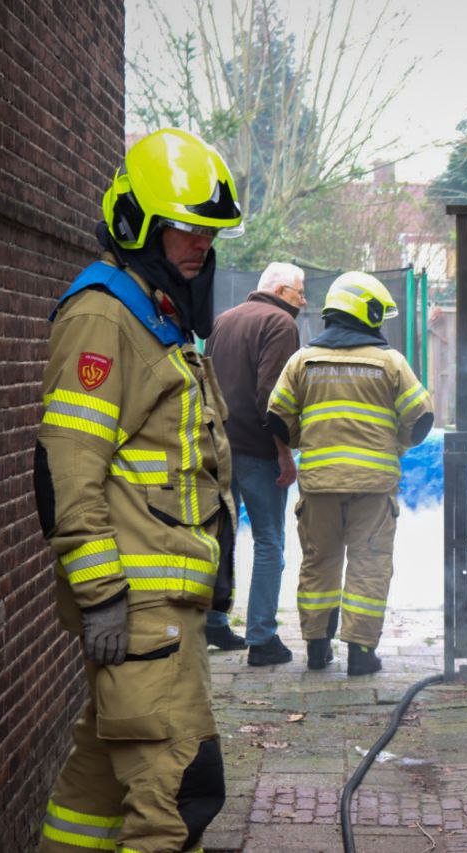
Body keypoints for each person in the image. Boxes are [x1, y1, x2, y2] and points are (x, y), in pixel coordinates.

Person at [32, 127, 242, 852]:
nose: (200, 245)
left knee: (95, 793)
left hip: (155, 612)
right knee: (176, 800)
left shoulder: (154, 318)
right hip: (138, 611)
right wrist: (103, 596)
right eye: (186, 226)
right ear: (138, 223)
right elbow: (67, 470)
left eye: (209, 232)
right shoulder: (104, 315)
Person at [266, 271, 433, 676]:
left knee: (319, 563)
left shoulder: (303, 360)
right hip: (373, 489)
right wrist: (397, 444)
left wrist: (305, 440)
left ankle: (317, 649)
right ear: (366, 312)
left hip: (320, 484)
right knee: (369, 564)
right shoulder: (390, 362)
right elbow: (422, 416)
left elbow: (276, 415)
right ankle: (361, 653)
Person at [203, 262, 306, 662]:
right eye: (299, 292)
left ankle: (214, 622)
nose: (303, 300)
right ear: (280, 291)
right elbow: (272, 396)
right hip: (258, 451)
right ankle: (262, 638)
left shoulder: (223, 321)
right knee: (269, 542)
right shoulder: (281, 324)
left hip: (218, 447)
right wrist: (284, 451)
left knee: (221, 535)